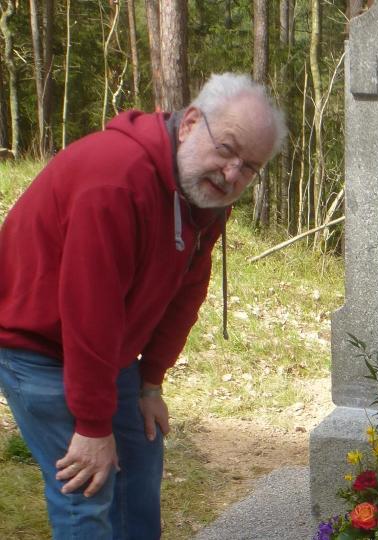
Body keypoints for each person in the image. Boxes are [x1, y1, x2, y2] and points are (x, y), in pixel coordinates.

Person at [0, 73, 286, 539]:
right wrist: (93, 426)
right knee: (87, 489)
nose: (232, 174)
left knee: (141, 455)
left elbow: (185, 293)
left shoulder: (204, 197)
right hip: (35, 346)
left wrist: (150, 382)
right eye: (228, 149)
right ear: (190, 123)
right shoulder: (115, 179)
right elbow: (89, 306)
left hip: (108, 352)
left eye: (250, 166)